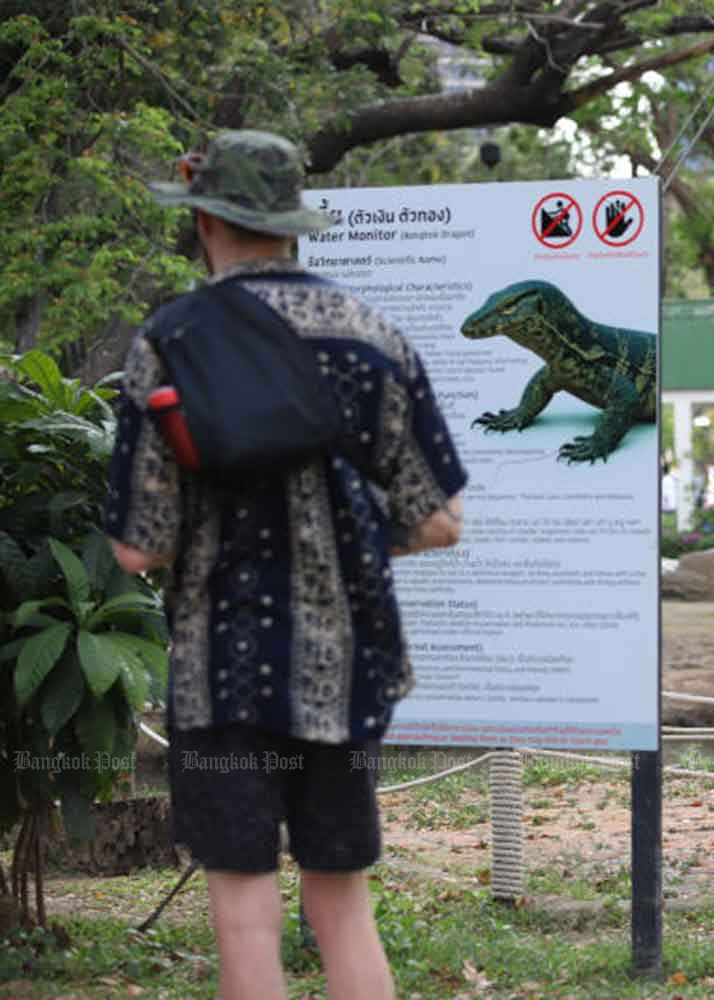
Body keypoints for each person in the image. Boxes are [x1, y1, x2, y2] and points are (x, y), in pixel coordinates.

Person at [105, 131, 466, 1000]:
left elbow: (137, 546)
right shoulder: (373, 337)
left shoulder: (169, 343)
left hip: (219, 671)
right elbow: (440, 521)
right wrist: (345, 537)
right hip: (346, 671)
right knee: (343, 905)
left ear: (203, 219)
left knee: (244, 913)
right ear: (291, 224)